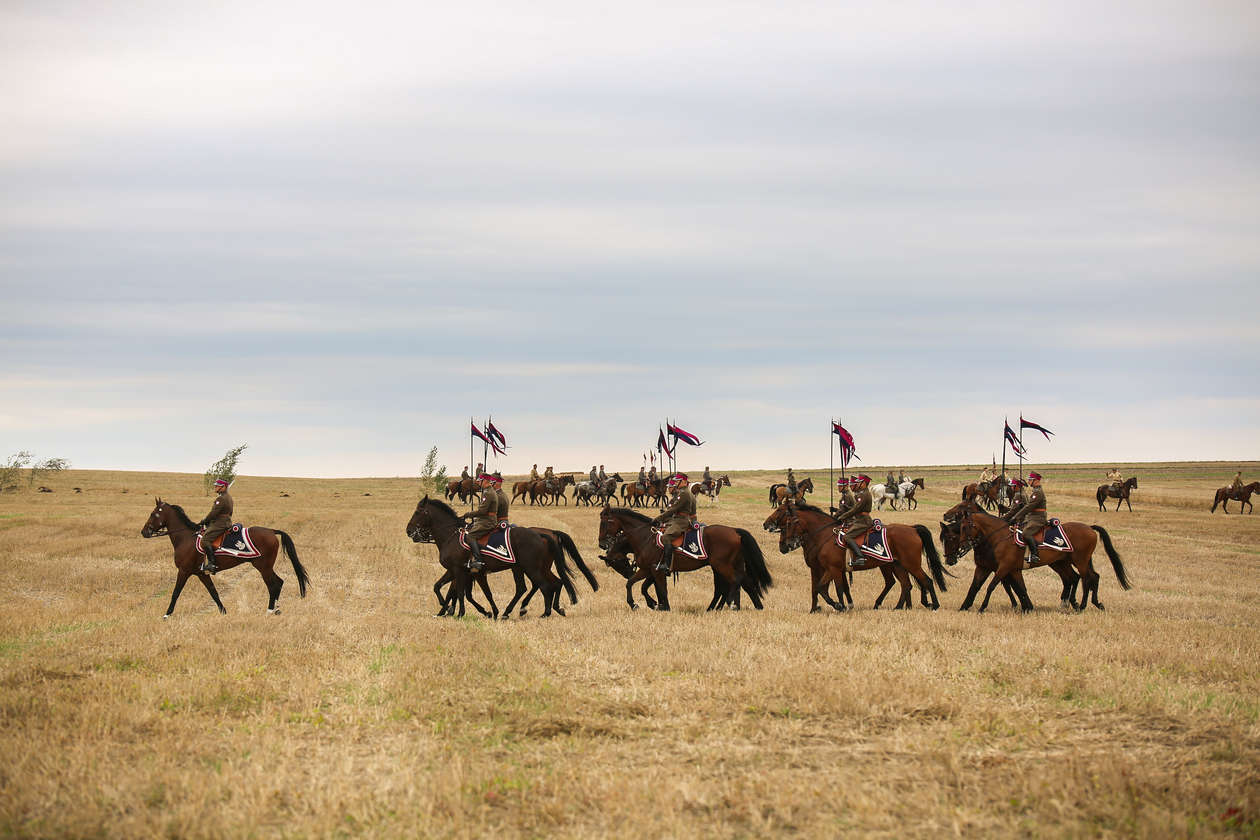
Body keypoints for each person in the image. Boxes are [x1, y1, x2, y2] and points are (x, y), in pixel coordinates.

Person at [653, 473, 696, 572]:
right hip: (677, 519)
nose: (676, 482)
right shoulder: (685, 492)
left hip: (680, 521)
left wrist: (658, 518)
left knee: (666, 537)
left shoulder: (684, 493)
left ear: (684, 481)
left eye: (678, 481)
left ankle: (667, 566)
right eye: (675, 481)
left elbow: (673, 509)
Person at [1005, 471, 1048, 566]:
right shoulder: (1035, 491)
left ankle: (1035, 555)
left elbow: (1029, 507)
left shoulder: (1038, 492)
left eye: (1030, 480)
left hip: (1038, 518)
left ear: (1035, 480)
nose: (1028, 482)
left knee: (1026, 533)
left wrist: (1015, 517)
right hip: (1032, 517)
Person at [834, 475, 876, 568]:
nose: (857, 484)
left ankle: (860, 557)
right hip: (859, 520)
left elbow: (855, 509)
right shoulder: (862, 493)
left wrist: (842, 517)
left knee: (847, 537)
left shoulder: (864, 494)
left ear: (864, 483)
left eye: (859, 482)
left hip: (863, 521)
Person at [463, 473, 499, 572]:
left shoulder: (488, 493)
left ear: (485, 481)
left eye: (480, 481)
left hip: (487, 521)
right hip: (485, 519)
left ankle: (478, 561)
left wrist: (468, 514)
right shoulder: (488, 491)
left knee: (470, 536)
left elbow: (482, 511)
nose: (478, 483)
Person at [198, 478, 235, 574]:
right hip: (225, 522)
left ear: (224, 487)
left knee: (205, 540)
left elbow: (213, 513)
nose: (215, 487)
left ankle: (211, 564)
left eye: (218, 486)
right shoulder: (229, 497)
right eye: (216, 485)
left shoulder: (221, 498)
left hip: (220, 523)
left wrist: (204, 521)